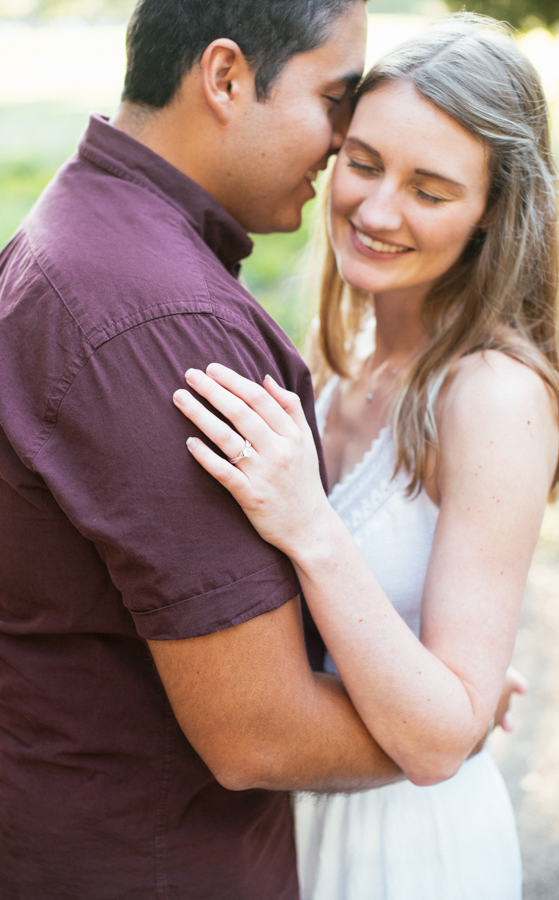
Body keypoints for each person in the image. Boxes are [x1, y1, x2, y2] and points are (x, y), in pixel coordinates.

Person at [0, 1, 420, 898]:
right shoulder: (162, 324)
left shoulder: (79, 228)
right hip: (152, 862)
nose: (341, 143)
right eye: (333, 98)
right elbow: (261, 733)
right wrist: (449, 723)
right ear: (224, 77)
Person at [172, 16, 559, 900]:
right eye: (365, 163)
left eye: (430, 190)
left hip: (410, 855)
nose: (377, 211)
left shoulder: (491, 394)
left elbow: (433, 739)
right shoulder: (335, 371)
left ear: (494, 211)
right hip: (294, 827)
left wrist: (307, 522)